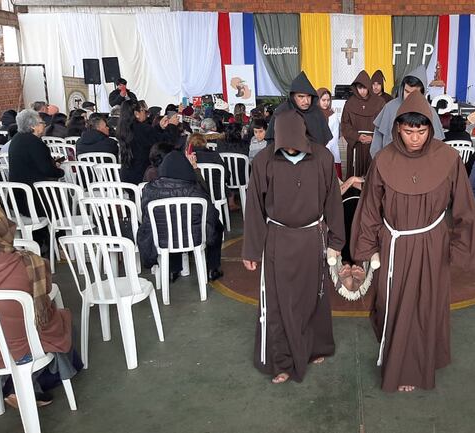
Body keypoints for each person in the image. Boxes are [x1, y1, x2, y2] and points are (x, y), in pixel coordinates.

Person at [350, 91, 475, 392]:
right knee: (389, 304)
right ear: (397, 127)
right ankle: (398, 356)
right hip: (393, 244)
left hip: (432, 244)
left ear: (430, 128)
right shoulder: (383, 159)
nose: (415, 138)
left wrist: (461, 248)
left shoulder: (448, 158)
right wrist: (366, 250)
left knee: (425, 305)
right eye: (408, 131)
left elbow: (463, 206)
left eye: (421, 131)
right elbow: (369, 207)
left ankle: (413, 366)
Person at [241, 110, 345, 385]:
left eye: (294, 145)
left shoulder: (322, 157)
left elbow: (333, 201)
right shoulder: (264, 160)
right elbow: (254, 208)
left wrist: (336, 241)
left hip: (313, 237)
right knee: (278, 303)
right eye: (284, 145)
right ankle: (282, 361)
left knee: (314, 296)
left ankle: (315, 348)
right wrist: (251, 250)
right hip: (278, 238)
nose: (288, 149)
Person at [0, 197, 81, 408]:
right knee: (63, 320)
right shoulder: (27, 264)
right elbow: (45, 294)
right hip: (27, 347)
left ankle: (9, 385)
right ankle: (21, 386)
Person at [138, 151, 224, 282]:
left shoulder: (149, 190)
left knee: (169, 225)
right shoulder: (195, 191)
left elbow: (144, 215)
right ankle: (213, 268)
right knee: (216, 225)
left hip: (161, 238)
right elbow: (211, 215)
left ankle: (173, 270)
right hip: (192, 237)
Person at [370, 66, 444, 157]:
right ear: (402, 89)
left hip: (420, 165)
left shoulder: (430, 112)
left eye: (414, 93)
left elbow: (436, 146)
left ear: (422, 92)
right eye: (407, 91)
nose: (409, 97)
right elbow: (377, 142)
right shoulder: (390, 108)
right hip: (391, 163)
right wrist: (378, 162)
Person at [8, 109, 64, 216]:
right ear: (33, 126)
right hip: (34, 197)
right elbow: (47, 170)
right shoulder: (35, 143)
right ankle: (57, 227)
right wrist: (60, 171)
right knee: (61, 188)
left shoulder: (16, 138)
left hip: (17, 194)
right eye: (42, 123)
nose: (44, 125)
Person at [116, 100, 179, 184]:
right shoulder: (142, 129)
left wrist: (159, 127)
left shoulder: (123, 129)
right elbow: (168, 141)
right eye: (142, 110)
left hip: (126, 176)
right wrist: (172, 126)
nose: (145, 113)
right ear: (136, 114)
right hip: (142, 176)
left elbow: (148, 138)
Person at [265, 71, 333, 147]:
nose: (306, 101)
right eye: (301, 96)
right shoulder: (282, 112)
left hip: (315, 156)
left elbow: (324, 139)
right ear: (293, 96)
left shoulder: (316, 112)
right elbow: (272, 143)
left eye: (309, 96)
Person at [342, 71, 385, 178]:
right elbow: (345, 124)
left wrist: (374, 138)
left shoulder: (379, 102)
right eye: (359, 88)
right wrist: (357, 136)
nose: (362, 91)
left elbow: (384, 124)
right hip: (356, 144)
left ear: (369, 87)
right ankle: (354, 194)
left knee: (373, 173)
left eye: (364, 88)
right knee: (355, 173)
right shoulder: (350, 103)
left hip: (373, 143)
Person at [317, 88, 342, 178]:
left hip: (330, 149)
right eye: (323, 100)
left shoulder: (333, 115)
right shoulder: (313, 114)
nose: (326, 102)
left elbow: (335, 136)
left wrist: (327, 147)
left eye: (328, 100)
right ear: (318, 99)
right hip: (316, 150)